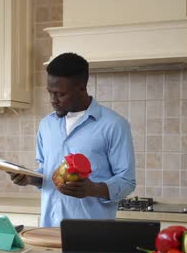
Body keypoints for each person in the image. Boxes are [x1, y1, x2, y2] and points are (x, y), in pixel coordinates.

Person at [9, 52, 136, 227]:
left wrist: (93, 189)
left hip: (91, 234)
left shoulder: (114, 125)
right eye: (50, 93)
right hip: (49, 230)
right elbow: (47, 172)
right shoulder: (46, 125)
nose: (53, 100)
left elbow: (127, 181)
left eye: (60, 94)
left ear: (81, 88)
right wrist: (30, 178)